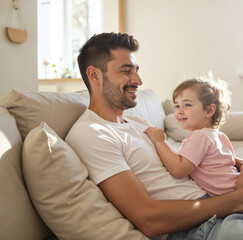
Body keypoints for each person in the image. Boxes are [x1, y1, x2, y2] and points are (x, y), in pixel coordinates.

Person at [65, 32, 243, 239]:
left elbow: (184, 160)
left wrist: (233, 163)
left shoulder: (137, 122)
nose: (138, 80)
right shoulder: (92, 134)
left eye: (137, 71)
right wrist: (236, 200)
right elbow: (149, 219)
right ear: (94, 75)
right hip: (200, 227)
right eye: (126, 71)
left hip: (219, 209)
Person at [145, 78, 243, 197]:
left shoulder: (200, 136)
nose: (179, 111)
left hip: (233, 199)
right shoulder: (218, 135)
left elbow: (179, 170)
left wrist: (160, 142)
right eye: (176, 106)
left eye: (187, 105)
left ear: (209, 110)